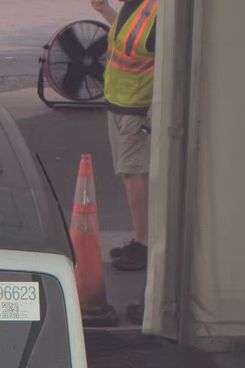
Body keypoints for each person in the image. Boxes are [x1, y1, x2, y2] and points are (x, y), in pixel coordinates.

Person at [90, 0, 156, 273]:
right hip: (117, 101)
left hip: (137, 108)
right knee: (129, 174)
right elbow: (124, 43)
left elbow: (167, 58)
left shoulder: (156, 13)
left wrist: (156, 103)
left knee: (133, 174)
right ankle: (140, 238)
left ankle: (144, 243)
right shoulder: (134, 8)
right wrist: (104, 10)